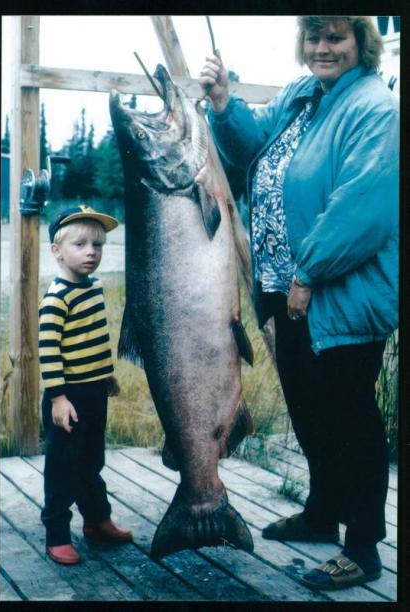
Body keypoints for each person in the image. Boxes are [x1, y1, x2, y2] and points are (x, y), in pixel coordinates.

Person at [199, 16, 398, 591]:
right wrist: (223, 103)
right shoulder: (303, 96)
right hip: (287, 292)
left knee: (351, 419)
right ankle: (320, 513)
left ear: (362, 42)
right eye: (313, 36)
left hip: (337, 294)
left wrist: (308, 273)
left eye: (335, 36)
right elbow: (250, 147)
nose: (322, 48)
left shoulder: (374, 109)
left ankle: (362, 547)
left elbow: (363, 207)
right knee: (309, 408)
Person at [39, 205, 132, 565]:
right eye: (80, 244)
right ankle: (57, 533)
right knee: (64, 465)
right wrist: (59, 399)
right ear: (57, 251)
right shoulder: (56, 299)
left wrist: (105, 374)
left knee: (92, 460)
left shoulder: (92, 288)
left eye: (97, 244)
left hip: (93, 392)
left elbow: (94, 338)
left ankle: (96, 519)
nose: (91, 251)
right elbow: (49, 353)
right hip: (68, 396)